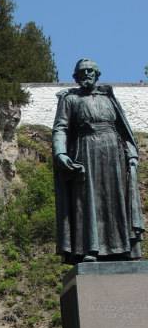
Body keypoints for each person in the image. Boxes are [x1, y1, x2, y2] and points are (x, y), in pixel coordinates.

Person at [52, 58, 144, 263]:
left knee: (116, 199)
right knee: (87, 200)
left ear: (97, 74)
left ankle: (122, 248)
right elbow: (61, 128)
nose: (87, 74)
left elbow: (123, 128)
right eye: (82, 72)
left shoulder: (109, 98)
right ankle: (90, 248)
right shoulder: (70, 99)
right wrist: (60, 153)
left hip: (114, 153)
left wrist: (132, 154)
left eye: (90, 71)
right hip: (86, 150)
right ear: (76, 77)